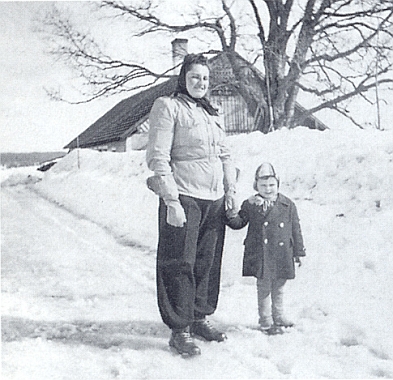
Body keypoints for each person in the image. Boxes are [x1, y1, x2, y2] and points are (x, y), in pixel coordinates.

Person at [146, 53, 238, 356]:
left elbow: (225, 155)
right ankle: (180, 329)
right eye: (195, 76)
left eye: (206, 78)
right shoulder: (168, 107)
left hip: (213, 198)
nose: (201, 82)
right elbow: (158, 158)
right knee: (179, 263)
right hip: (184, 194)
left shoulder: (213, 112)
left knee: (207, 263)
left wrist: (230, 192)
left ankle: (199, 317)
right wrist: (171, 201)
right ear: (183, 78)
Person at [226, 162, 305, 335]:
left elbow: (295, 229)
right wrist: (231, 213)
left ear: (278, 184)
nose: (268, 189)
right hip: (261, 253)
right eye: (263, 185)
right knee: (264, 288)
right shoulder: (251, 204)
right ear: (256, 186)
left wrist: (299, 252)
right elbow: (239, 222)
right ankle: (266, 321)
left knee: (279, 287)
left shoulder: (287, 204)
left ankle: (279, 315)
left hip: (283, 253)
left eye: (271, 185)